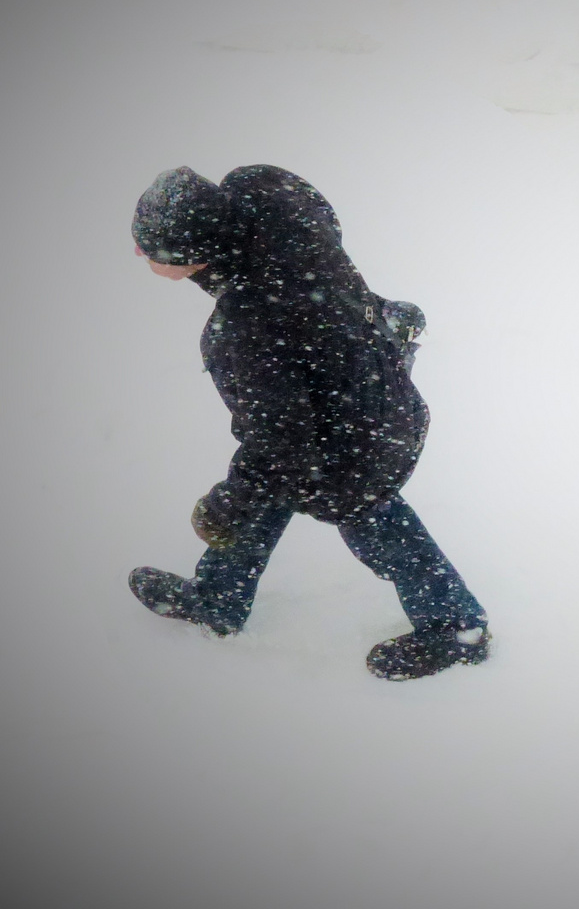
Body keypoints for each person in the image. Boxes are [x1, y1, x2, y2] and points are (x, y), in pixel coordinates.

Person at [127, 165, 489, 680]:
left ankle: (455, 627)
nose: (142, 258)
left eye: (150, 252)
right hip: (363, 362)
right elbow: (319, 233)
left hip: (352, 425)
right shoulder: (263, 189)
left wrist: (224, 505)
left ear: (188, 259)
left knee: (364, 510)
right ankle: (218, 600)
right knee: (268, 486)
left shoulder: (248, 326)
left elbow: (279, 442)